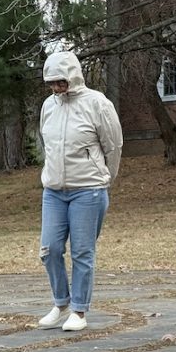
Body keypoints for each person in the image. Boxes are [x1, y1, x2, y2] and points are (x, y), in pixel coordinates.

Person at [37, 52, 123, 332]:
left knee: (82, 252)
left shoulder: (97, 103)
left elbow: (113, 145)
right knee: (49, 249)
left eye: (60, 82)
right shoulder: (48, 106)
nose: (55, 88)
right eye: (51, 83)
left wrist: (105, 176)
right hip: (54, 190)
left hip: (88, 189)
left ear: (72, 77)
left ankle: (79, 310)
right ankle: (60, 302)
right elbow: (47, 142)